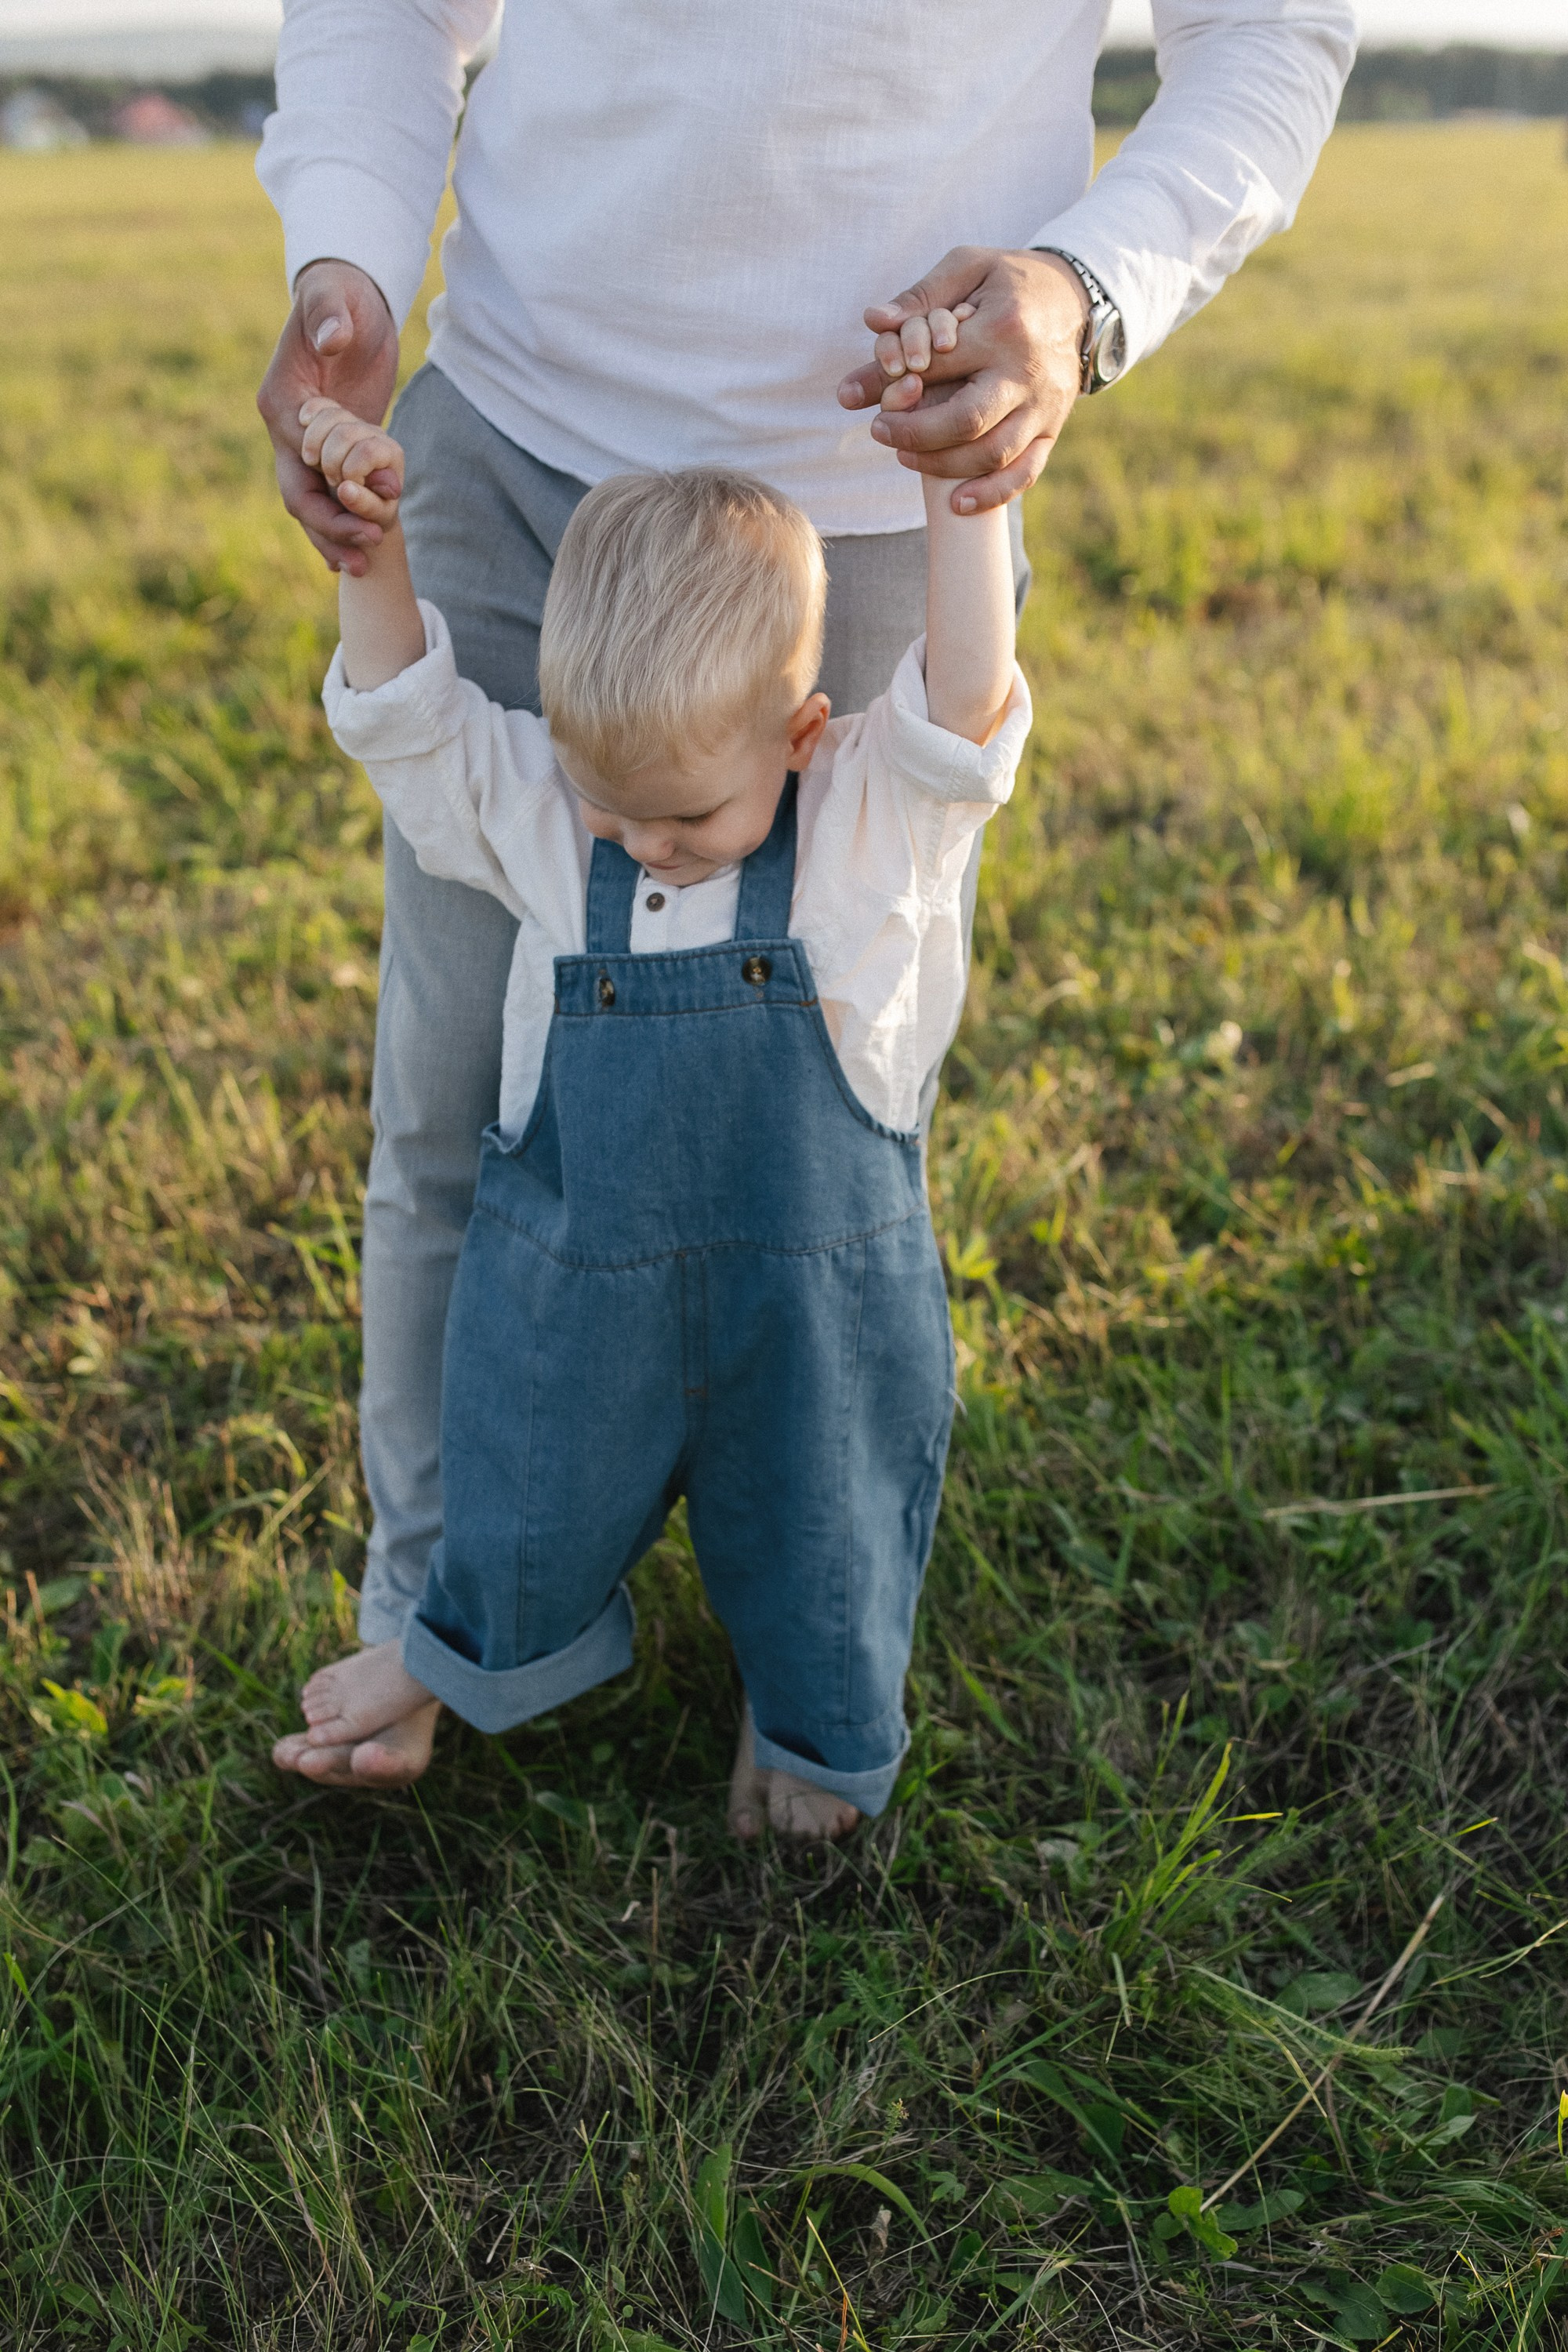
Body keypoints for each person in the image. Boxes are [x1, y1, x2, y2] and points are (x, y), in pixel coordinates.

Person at [255, 0, 1358, 1718]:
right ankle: (450, 1624)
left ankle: (816, 1651)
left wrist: (1073, 299)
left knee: (819, 1157)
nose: (640, 847)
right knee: (460, 1093)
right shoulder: (525, 781)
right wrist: (348, 259)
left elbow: (1271, 29)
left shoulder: (882, 730)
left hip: (879, 483)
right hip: (523, 430)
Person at [270, 373, 1031, 1836]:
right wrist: (373, 556)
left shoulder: (873, 819)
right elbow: (416, 733)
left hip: (808, 1309)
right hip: (586, 1305)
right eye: (610, 811)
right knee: (522, 1479)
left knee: (828, 1531)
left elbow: (964, 706)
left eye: (684, 820)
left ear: (803, 736)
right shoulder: (564, 827)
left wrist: (958, 497)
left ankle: (814, 1744)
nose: (644, 848)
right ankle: (453, 1654)